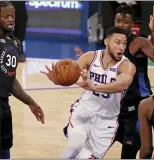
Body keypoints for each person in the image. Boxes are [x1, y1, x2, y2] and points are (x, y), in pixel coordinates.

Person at [74, 2, 154, 158]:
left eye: (126, 22)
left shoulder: (139, 42)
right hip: (112, 107)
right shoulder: (111, 43)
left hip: (135, 107)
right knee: (90, 152)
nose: (122, 25)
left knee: (129, 154)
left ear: (132, 24)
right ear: (114, 21)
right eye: (119, 21)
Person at [41, 27, 136, 159]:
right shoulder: (91, 56)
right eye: (117, 42)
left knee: (84, 158)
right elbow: (72, 73)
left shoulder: (127, 65)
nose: (121, 47)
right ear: (107, 42)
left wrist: (94, 87)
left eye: (124, 43)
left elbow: (121, 85)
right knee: (75, 146)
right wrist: (57, 79)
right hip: (84, 110)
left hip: (106, 122)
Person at [0, 1, 45, 159]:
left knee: (5, 151)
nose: (11, 19)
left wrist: (30, 101)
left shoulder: (14, 43)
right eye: (5, 16)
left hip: (4, 107)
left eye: (12, 16)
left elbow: (10, 80)